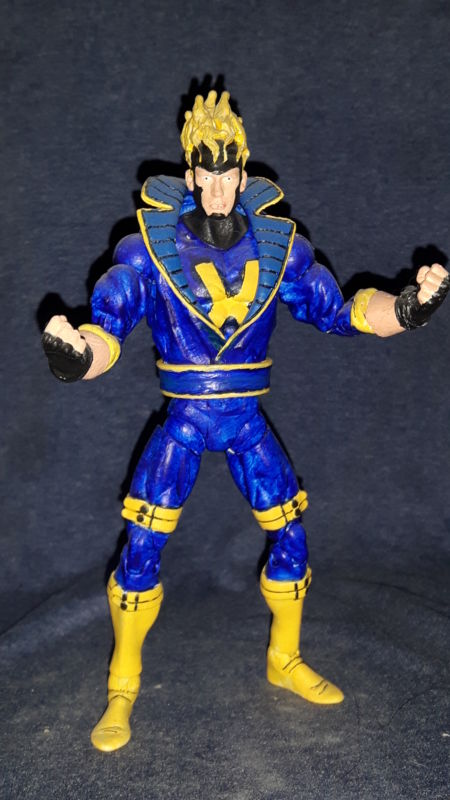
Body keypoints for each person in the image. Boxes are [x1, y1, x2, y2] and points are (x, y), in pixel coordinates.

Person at [42, 91, 449, 752]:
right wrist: (76, 353)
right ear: (190, 174)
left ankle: (284, 658)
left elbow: (338, 311)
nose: (220, 187)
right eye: (208, 174)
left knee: (291, 536)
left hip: (245, 421)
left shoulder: (280, 246)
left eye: (230, 174)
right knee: (141, 549)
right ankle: (123, 683)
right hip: (184, 423)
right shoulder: (148, 250)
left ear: (242, 172)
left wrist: (408, 308)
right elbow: (109, 325)